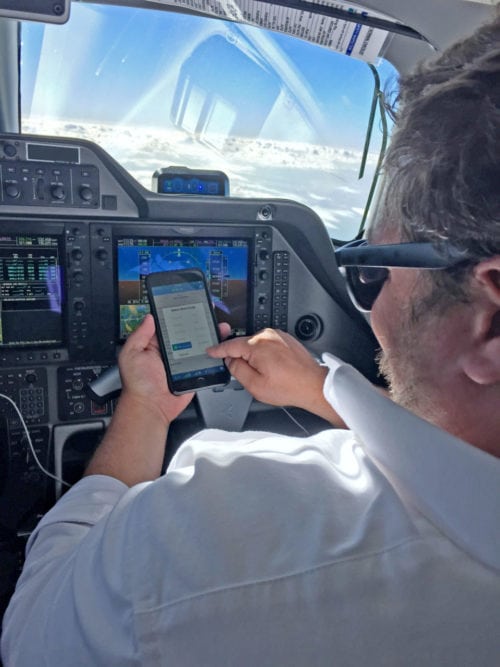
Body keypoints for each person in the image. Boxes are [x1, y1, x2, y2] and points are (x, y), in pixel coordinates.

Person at [2, 16, 500, 667]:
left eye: (373, 269)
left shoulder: (205, 542)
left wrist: (146, 406)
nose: (368, 302)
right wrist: (327, 390)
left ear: (490, 322)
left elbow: (34, 630)